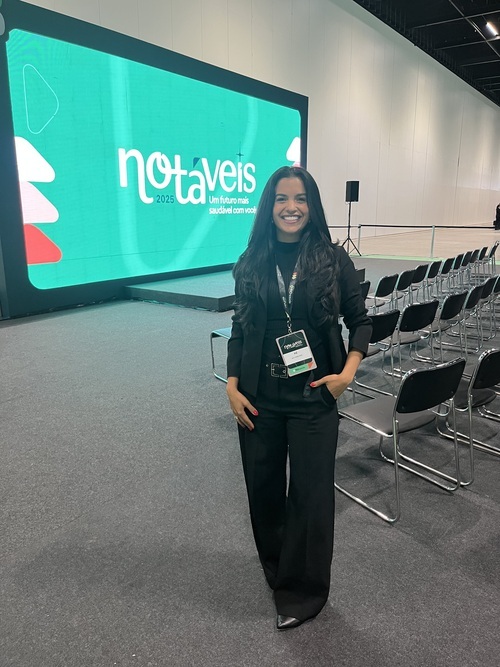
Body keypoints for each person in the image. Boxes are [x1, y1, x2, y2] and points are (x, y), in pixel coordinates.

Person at [226, 165, 372, 630]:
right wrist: (231, 384)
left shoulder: (333, 260)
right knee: (263, 491)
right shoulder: (251, 260)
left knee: (310, 496)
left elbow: (361, 321)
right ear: (268, 207)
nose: (291, 207)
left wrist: (346, 374)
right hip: (259, 397)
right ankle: (279, 570)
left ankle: (304, 592)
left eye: (301, 199)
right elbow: (240, 326)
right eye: (282, 199)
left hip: (313, 395)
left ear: (312, 206)